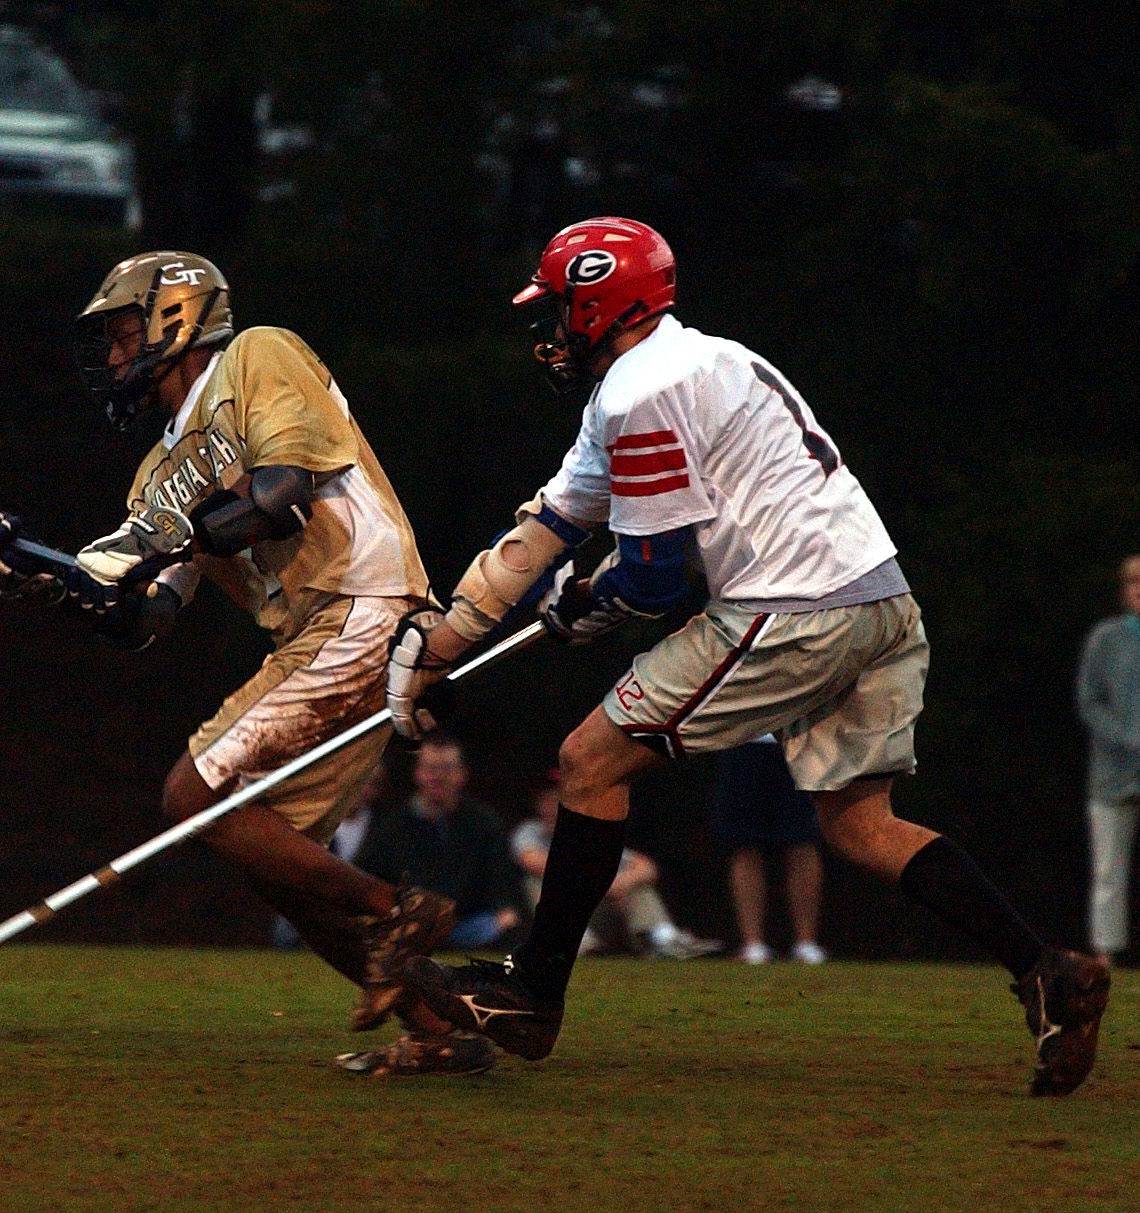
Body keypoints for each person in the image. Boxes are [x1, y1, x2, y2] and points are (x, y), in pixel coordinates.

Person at [385, 216, 1110, 1096]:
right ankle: (1047, 970)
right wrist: (443, 641)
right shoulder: (703, 359)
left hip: (793, 607)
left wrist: (588, 607)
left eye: (561, 306)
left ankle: (532, 994)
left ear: (603, 303)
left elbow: (652, 581)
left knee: (589, 761)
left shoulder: (638, 393)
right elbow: (548, 526)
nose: (551, 328)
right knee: (861, 824)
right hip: (879, 598)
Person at [0, 251, 490, 1076]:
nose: (115, 357)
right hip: (309, 636)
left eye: (124, 335)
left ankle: (397, 908)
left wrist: (159, 545)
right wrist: (39, 575)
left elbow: (280, 494)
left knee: (191, 796)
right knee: (275, 863)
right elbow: (143, 617)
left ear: (176, 318)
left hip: (362, 602)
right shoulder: (157, 475)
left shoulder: (255, 356)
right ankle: (437, 1028)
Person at [516, 767, 721, 959]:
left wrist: (620, 883)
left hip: (600, 915)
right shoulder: (529, 831)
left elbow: (646, 867)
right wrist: (601, 883)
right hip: (559, 920)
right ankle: (571, 943)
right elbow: (534, 862)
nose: (557, 806)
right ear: (539, 804)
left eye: (564, 798)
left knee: (636, 886)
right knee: (535, 882)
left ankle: (662, 939)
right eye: (551, 800)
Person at [352, 735, 525, 950]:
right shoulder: (391, 826)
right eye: (431, 769)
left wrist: (506, 911)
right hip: (407, 926)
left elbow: (503, 882)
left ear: (462, 774)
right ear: (417, 773)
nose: (438, 777)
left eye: (447, 769)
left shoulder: (485, 825)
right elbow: (369, 876)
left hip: (468, 925)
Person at [1075, 554, 1140, 966]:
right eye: (1135, 583)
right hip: (1112, 776)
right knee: (1108, 870)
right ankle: (1105, 954)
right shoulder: (1105, 639)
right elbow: (1089, 701)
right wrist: (1128, 739)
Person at [714, 736, 826, 964]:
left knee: (802, 842)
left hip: (799, 740)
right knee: (744, 844)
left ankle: (806, 944)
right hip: (743, 740)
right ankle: (753, 945)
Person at [273, 763, 385, 947]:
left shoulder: (383, 829)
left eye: (368, 782)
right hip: (312, 907)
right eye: (353, 780)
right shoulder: (310, 821)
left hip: (362, 910)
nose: (359, 788)